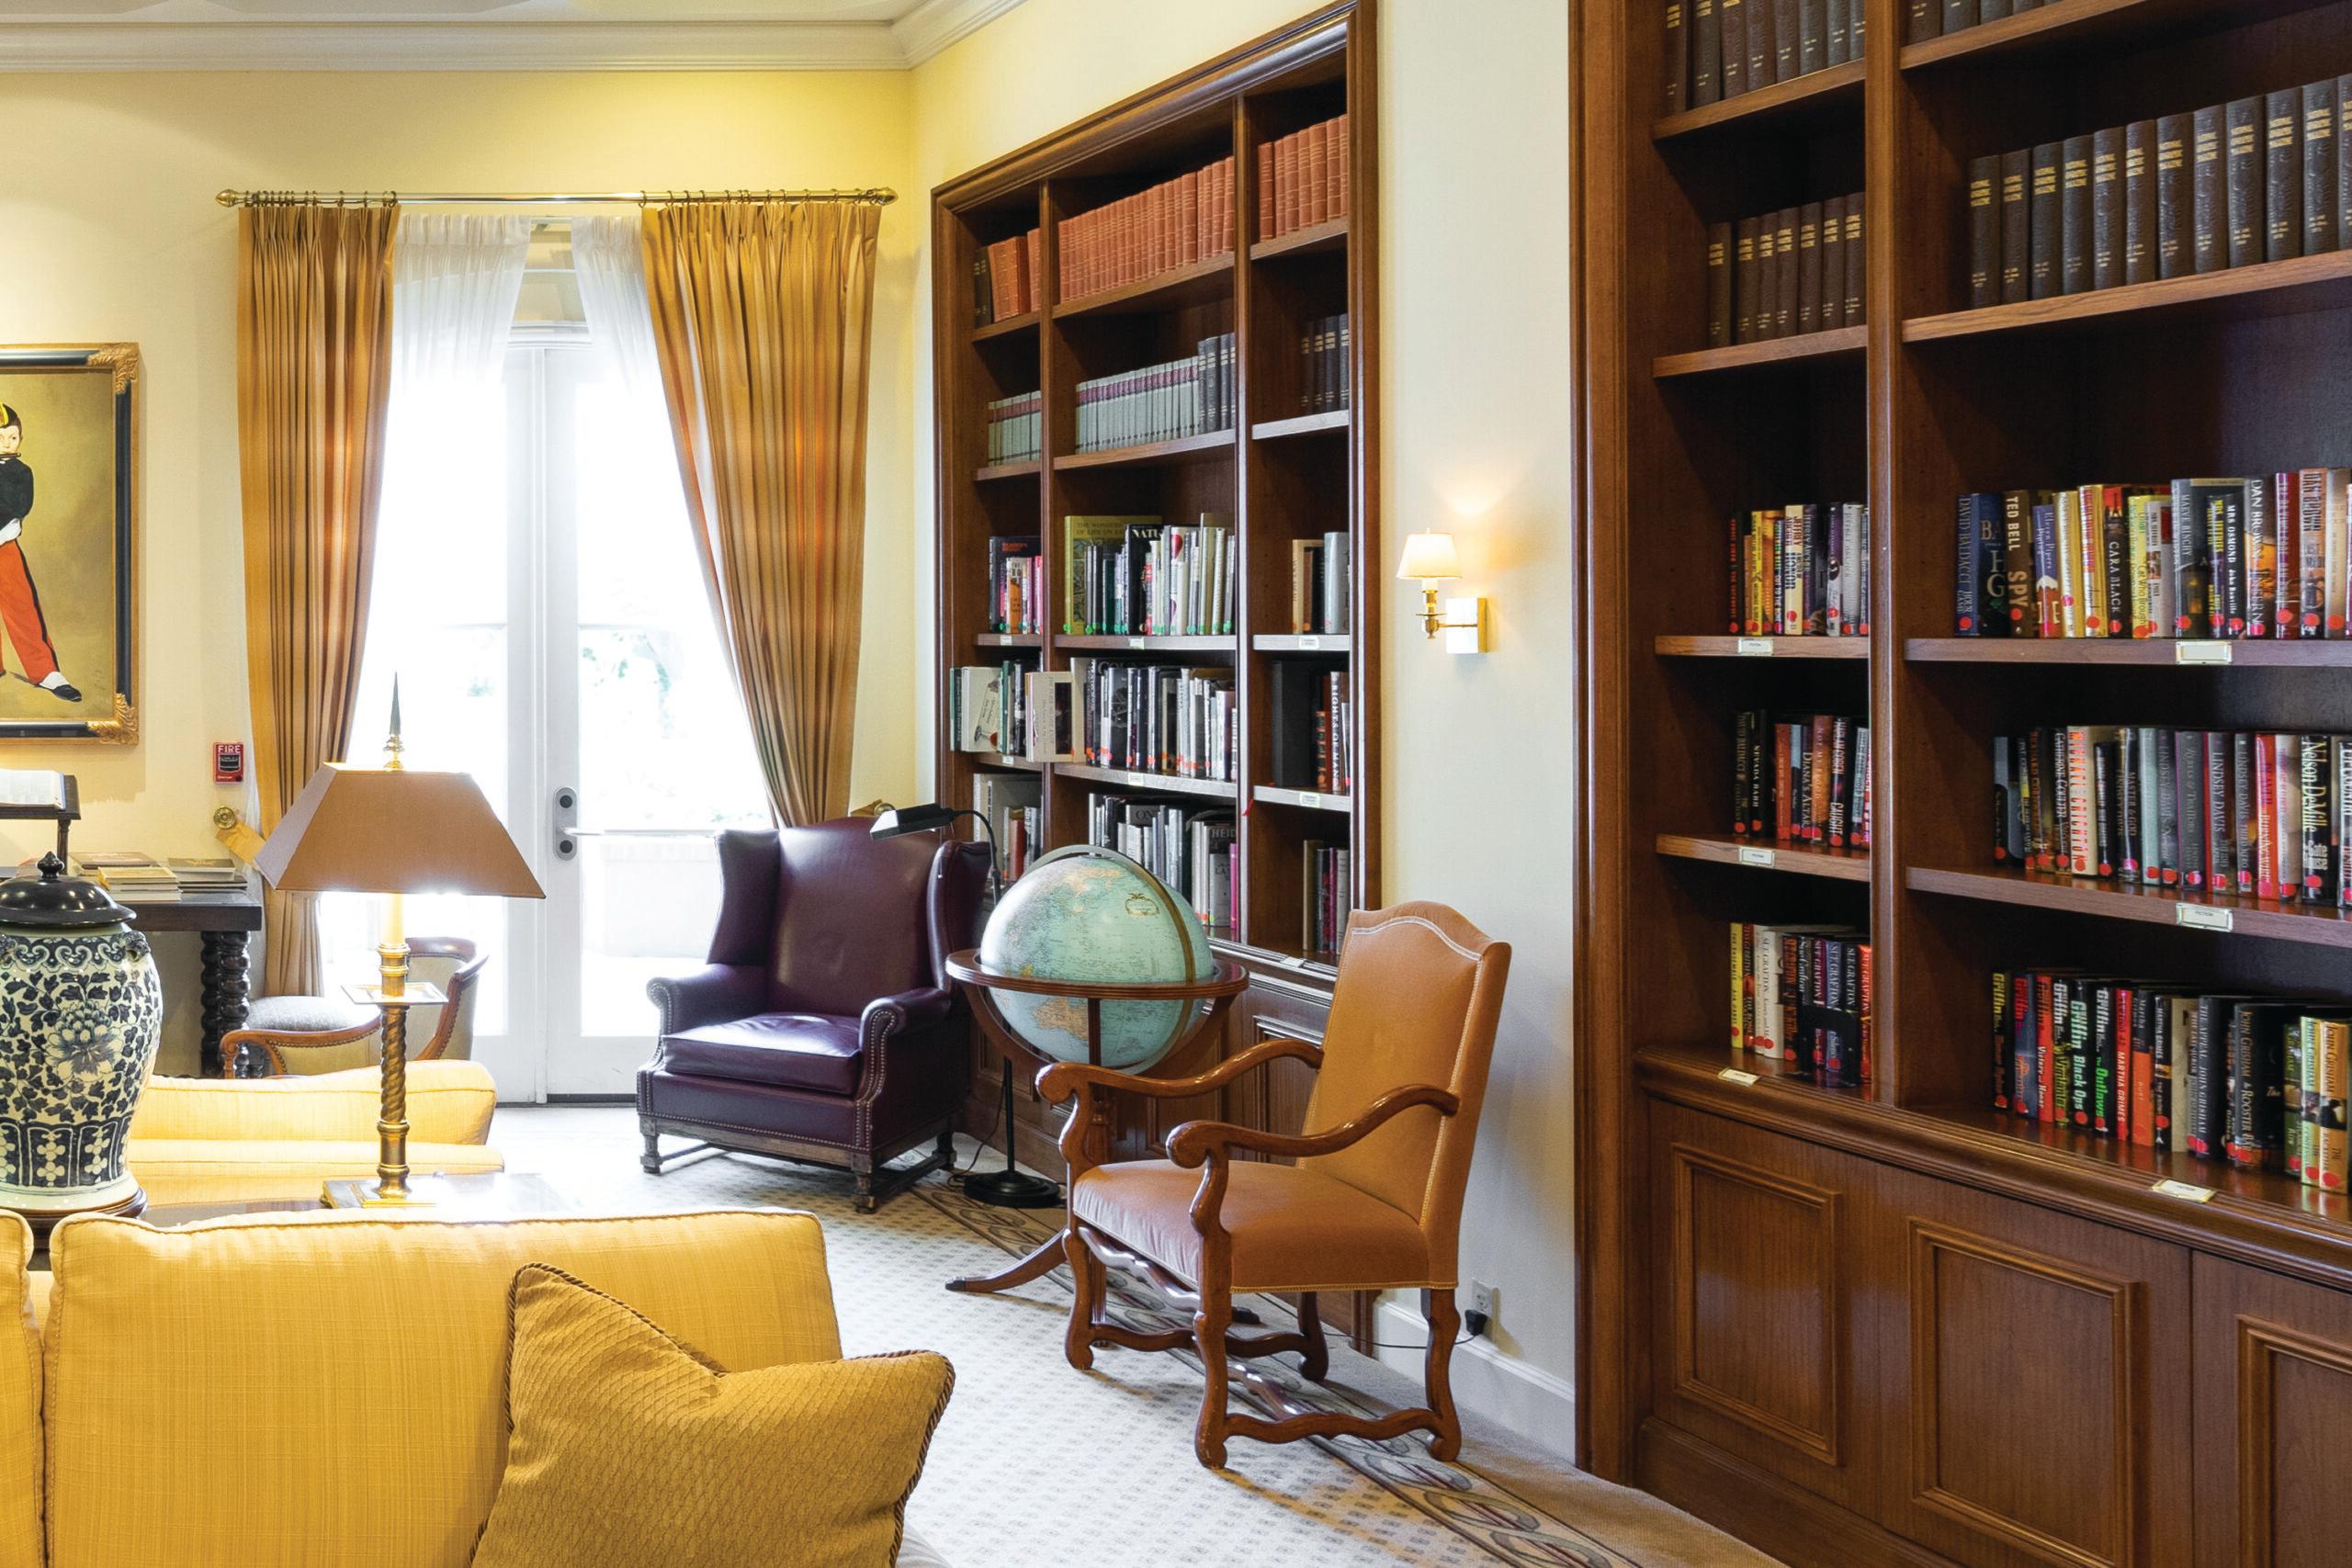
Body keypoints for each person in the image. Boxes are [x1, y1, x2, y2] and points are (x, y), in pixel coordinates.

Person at [0, 404, 81, 704]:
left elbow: (17, 507)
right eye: (1, 437)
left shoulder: (21, 473)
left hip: (3, 547)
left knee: (22, 609)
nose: (8, 443)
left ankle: (46, 672)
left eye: (13, 437)